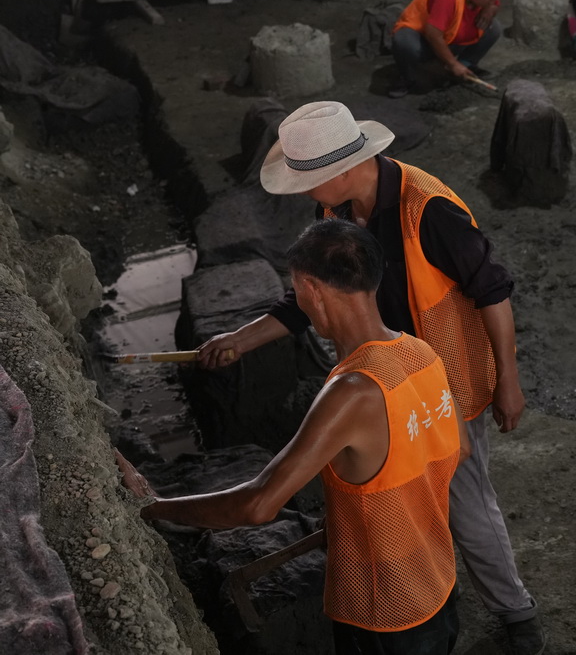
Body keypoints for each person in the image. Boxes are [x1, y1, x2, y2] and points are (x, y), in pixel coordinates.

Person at [197, 101, 547, 655]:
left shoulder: (428, 210)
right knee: (403, 497)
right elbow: (308, 298)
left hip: (442, 377)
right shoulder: (336, 216)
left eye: (307, 184)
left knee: (464, 495)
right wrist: (241, 339)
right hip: (385, 372)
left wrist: (509, 380)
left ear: (337, 172)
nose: (306, 198)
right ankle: (426, 584)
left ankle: (516, 612)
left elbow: (493, 291)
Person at [118, 217, 470, 655]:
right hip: (438, 582)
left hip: (385, 611)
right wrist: (363, 515)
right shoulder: (420, 353)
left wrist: (152, 507)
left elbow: (258, 504)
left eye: (296, 288)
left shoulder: (351, 392)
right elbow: (457, 448)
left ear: (310, 289)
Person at [389, 0, 508, 98]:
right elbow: (433, 35)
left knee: (493, 28)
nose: (494, 2)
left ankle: (465, 67)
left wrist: (491, 8)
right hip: (425, 41)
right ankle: (407, 78)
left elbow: (492, 3)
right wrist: (452, 64)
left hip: (450, 39)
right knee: (404, 42)